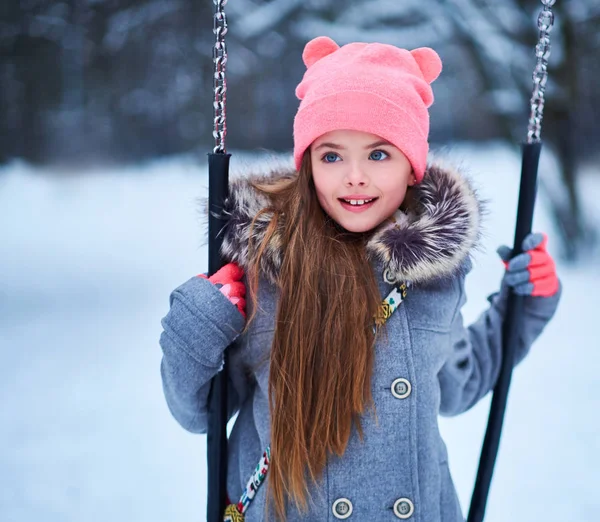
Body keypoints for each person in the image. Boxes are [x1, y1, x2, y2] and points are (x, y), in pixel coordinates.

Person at [159, 37, 561, 522]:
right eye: (331, 156)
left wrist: (523, 307)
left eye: (378, 155)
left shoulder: (432, 277)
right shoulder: (267, 270)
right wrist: (199, 323)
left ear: (412, 168)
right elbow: (199, 411)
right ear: (307, 164)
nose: (354, 176)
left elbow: (458, 381)